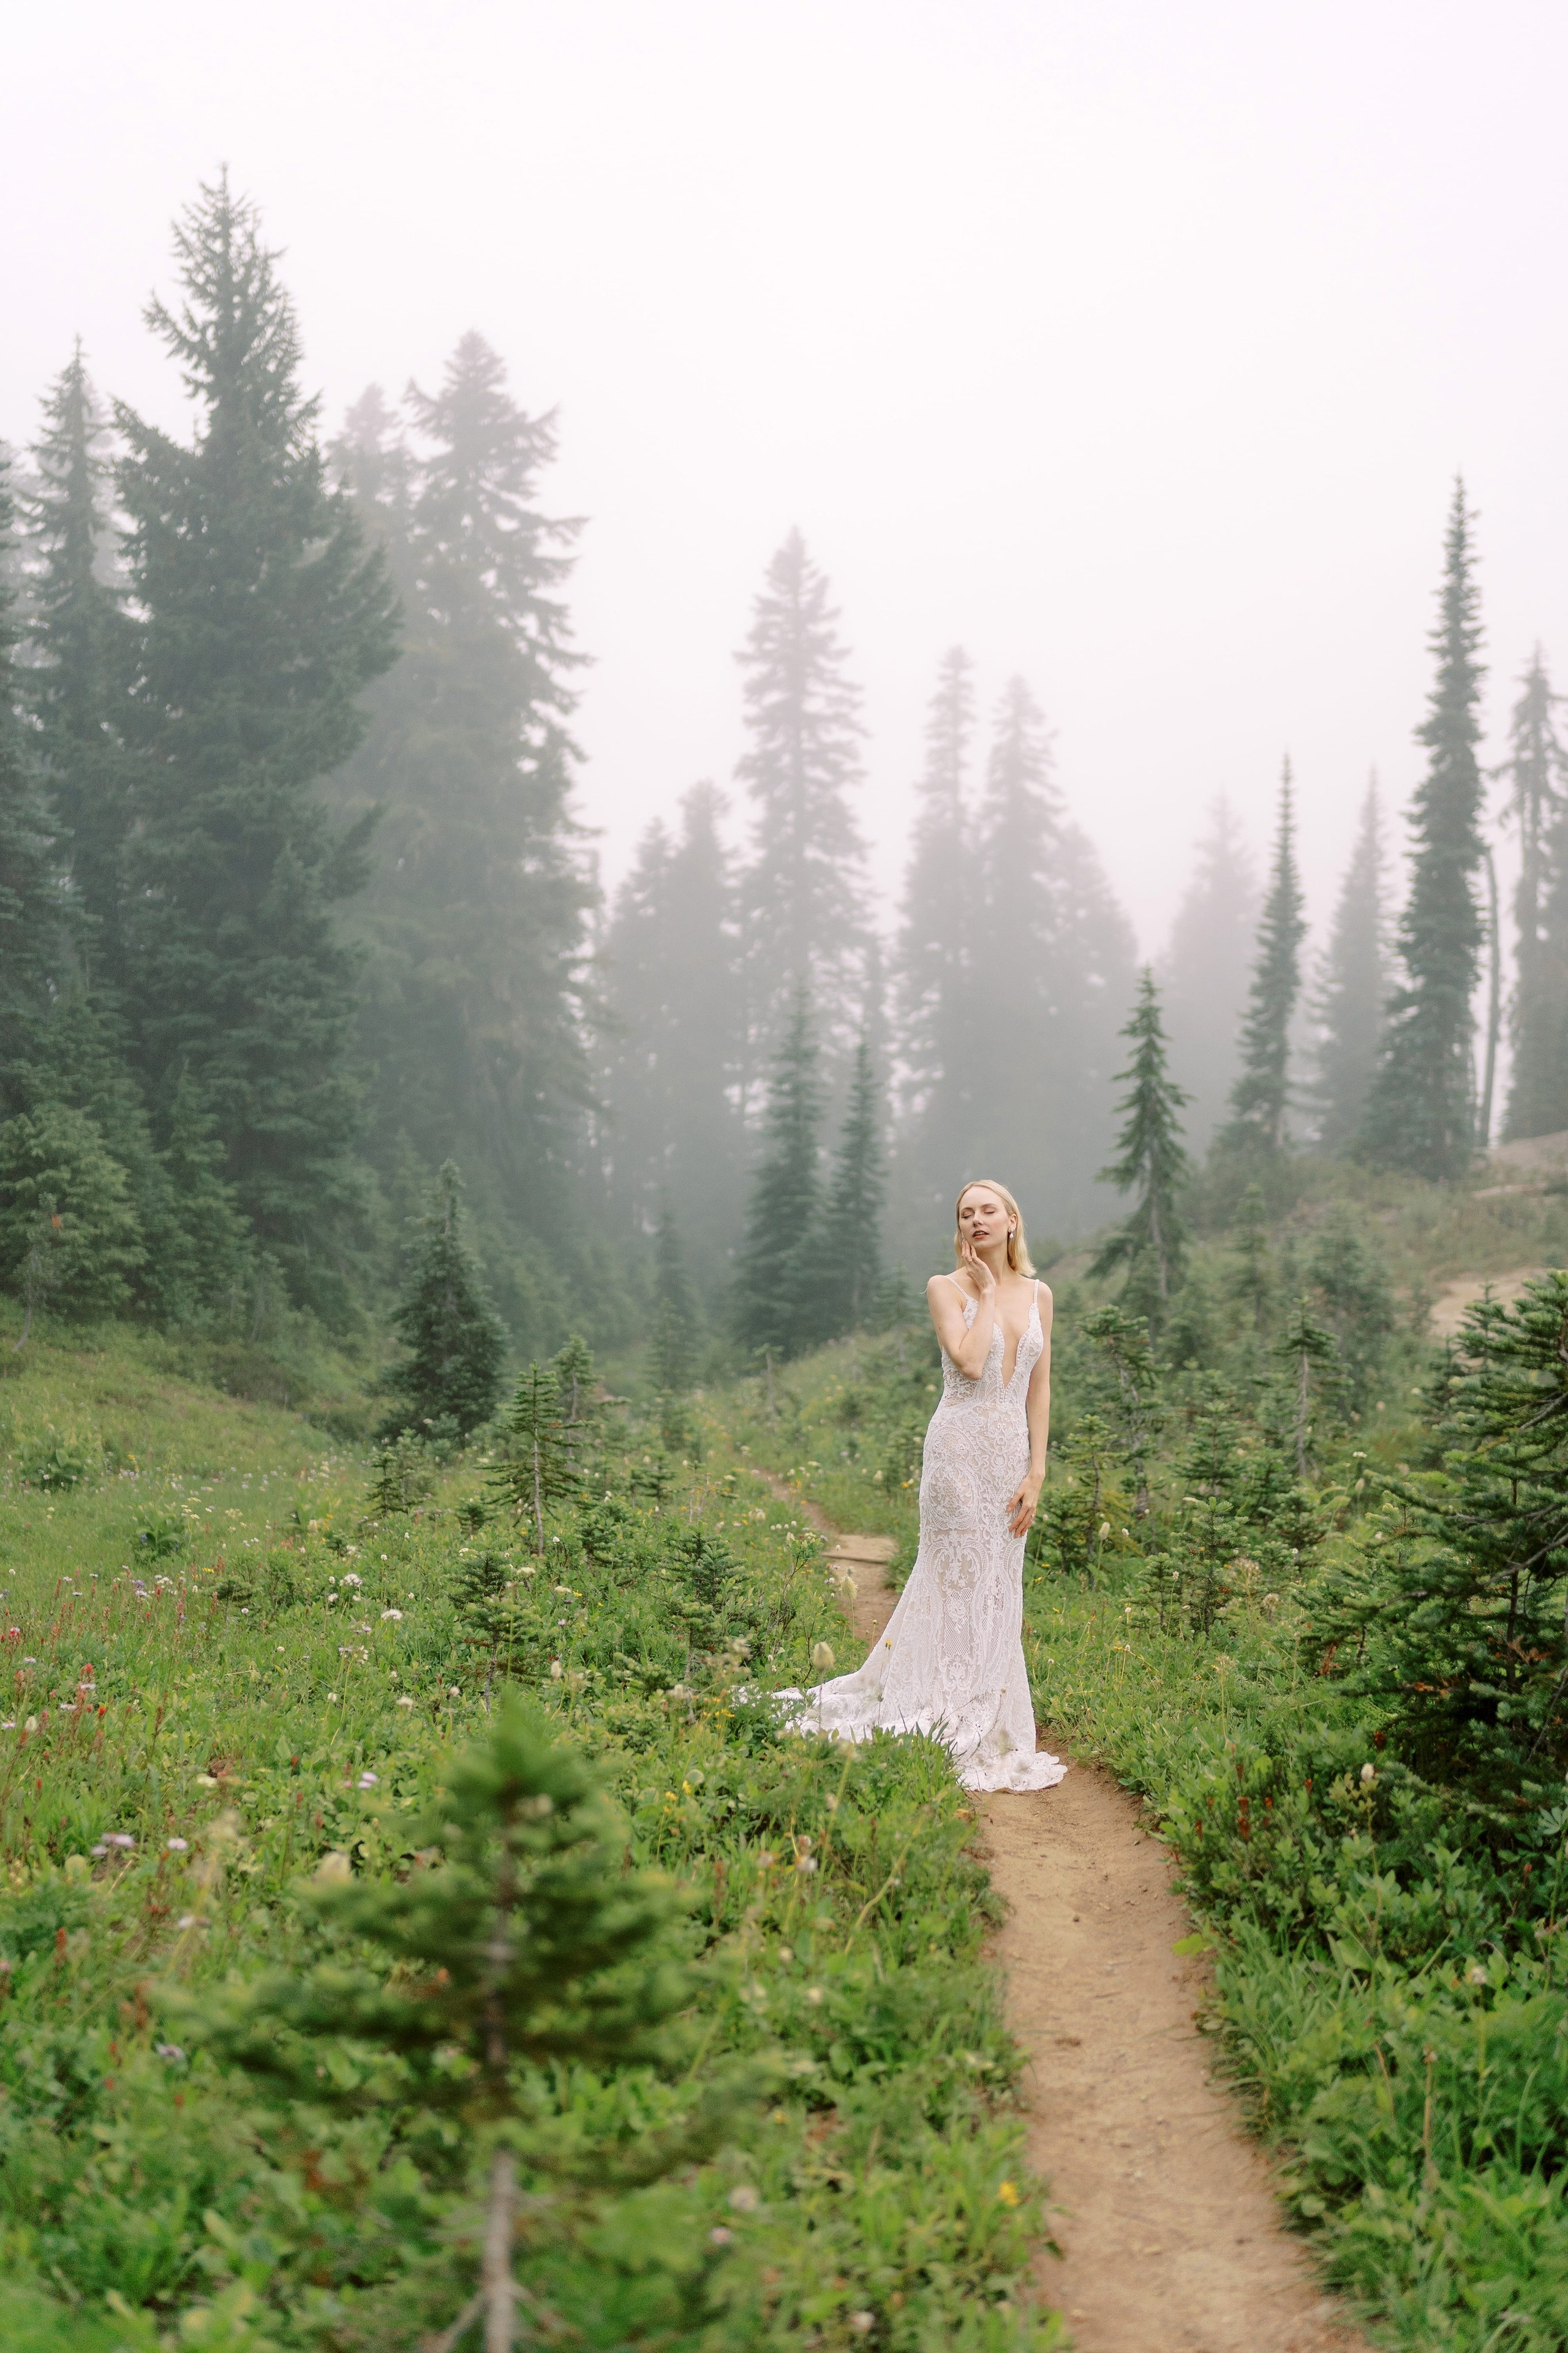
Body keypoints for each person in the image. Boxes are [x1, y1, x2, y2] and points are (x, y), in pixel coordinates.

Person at [783, 1177, 1066, 1793]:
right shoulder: (946, 1288)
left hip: (1009, 1458)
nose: (976, 1220)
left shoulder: (1042, 1294)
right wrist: (986, 1292)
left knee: (998, 1579)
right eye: (966, 1213)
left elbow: (1039, 1387)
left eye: (988, 1209)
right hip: (957, 1454)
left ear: (1012, 1219)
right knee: (955, 1576)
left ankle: (988, 1710)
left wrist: (1037, 1471)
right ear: (960, 1228)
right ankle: (941, 1707)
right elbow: (968, 1361)